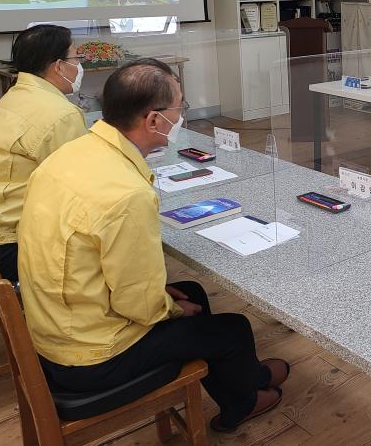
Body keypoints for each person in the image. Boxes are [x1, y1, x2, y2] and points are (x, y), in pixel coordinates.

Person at [18, 59, 289, 433]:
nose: (182, 115)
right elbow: (137, 303)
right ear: (154, 121)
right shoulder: (125, 195)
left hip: (60, 324)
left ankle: (247, 379)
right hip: (93, 356)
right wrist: (172, 310)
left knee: (192, 292)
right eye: (180, 107)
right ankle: (241, 403)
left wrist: (169, 300)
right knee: (234, 328)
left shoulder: (70, 155)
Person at [0, 25, 87, 280]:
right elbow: (79, 191)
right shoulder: (60, 113)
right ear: (58, 65)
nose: (79, 65)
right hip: (3, 250)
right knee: (106, 252)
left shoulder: (16, 94)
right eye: (76, 58)